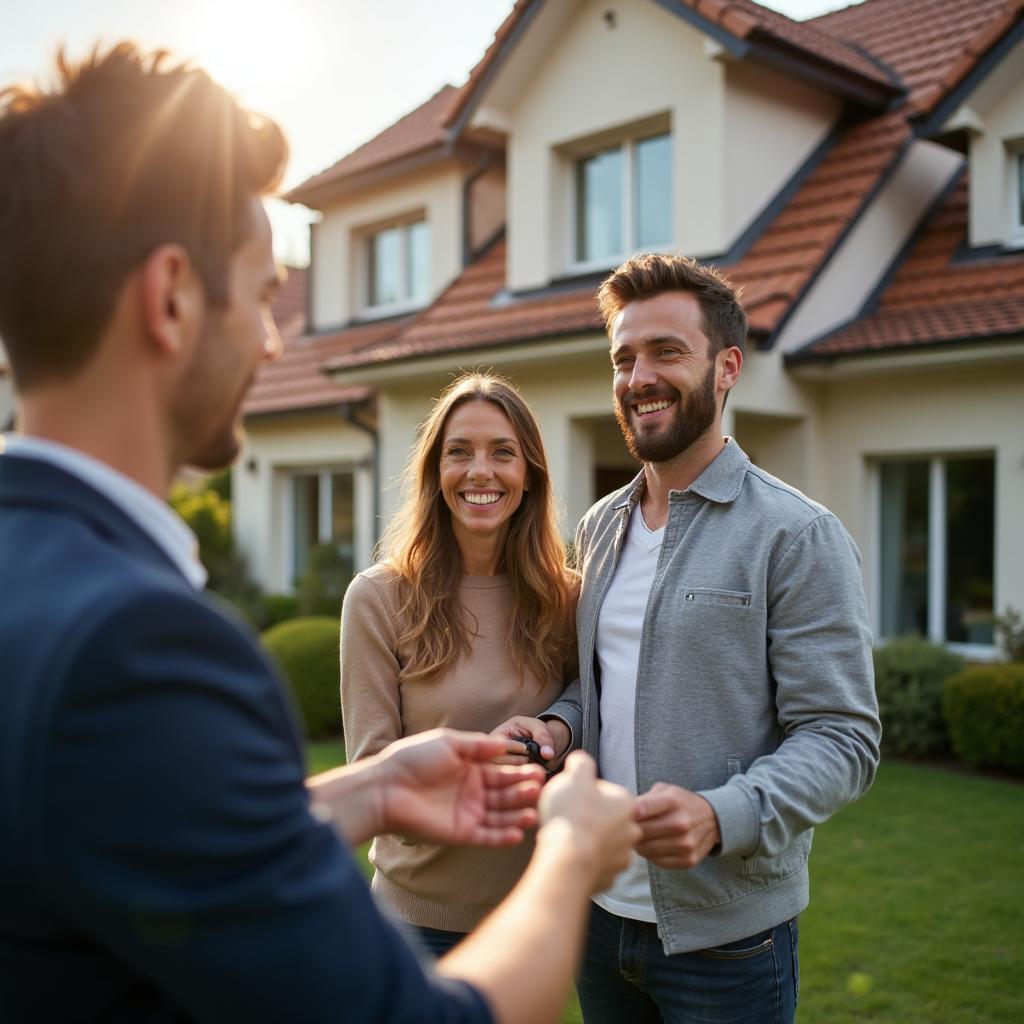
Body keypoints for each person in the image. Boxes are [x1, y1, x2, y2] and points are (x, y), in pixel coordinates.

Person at [0, 44, 640, 1024]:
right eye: (264, 296)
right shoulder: (136, 646)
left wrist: (369, 789)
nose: (273, 342)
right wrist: (570, 849)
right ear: (171, 297)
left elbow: (141, 832)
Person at [498, 253, 881, 1023]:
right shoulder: (600, 526)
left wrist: (722, 815)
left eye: (666, 352)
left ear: (727, 367)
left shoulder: (796, 534)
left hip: (727, 942)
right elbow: (603, 683)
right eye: (624, 359)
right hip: (599, 914)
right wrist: (558, 725)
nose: (639, 378)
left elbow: (844, 737)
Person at [341, 372, 579, 957]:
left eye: (502, 452)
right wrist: (478, 767)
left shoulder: (568, 597)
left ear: (530, 475)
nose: (480, 471)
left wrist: (556, 727)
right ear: (435, 473)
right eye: (459, 452)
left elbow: (591, 702)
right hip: (412, 925)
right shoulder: (378, 598)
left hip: (531, 918)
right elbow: (370, 783)